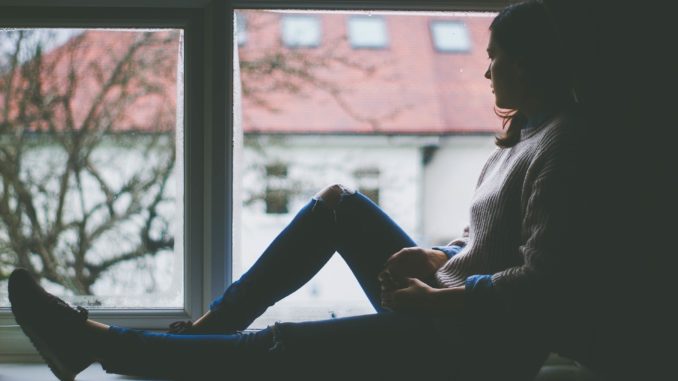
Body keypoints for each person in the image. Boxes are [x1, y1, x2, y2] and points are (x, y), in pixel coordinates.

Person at [8, 1, 589, 380]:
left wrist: (440, 298)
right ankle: (211, 329)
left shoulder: (562, 145)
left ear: (532, 62)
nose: (487, 74)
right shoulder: (523, 134)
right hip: (453, 311)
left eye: (497, 60)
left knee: (282, 347)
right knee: (339, 205)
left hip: (481, 353)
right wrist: (437, 256)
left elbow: (546, 284)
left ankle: (96, 343)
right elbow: (484, 237)